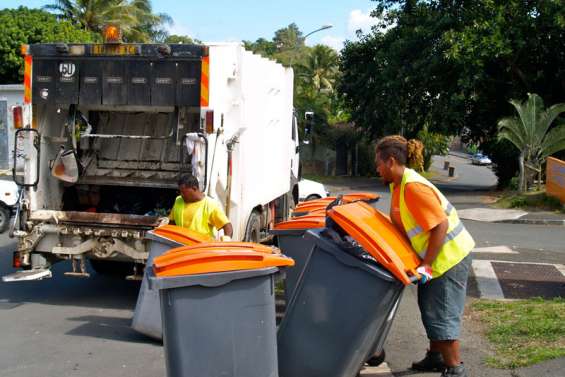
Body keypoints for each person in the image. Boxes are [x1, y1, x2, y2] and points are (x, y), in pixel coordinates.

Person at [374, 136, 475, 377]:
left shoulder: (413, 186)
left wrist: (427, 264)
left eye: (378, 163)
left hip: (448, 259)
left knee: (442, 312)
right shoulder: (398, 185)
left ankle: (455, 369)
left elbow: (440, 225)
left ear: (390, 161)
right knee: (430, 307)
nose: (376, 168)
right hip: (438, 260)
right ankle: (436, 357)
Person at [169, 173, 233, 240]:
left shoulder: (210, 205)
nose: (181, 194)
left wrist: (227, 240)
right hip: (180, 246)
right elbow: (171, 223)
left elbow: (227, 226)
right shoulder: (178, 200)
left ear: (194, 188)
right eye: (180, 192)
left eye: (184, 192)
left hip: (201, 248)